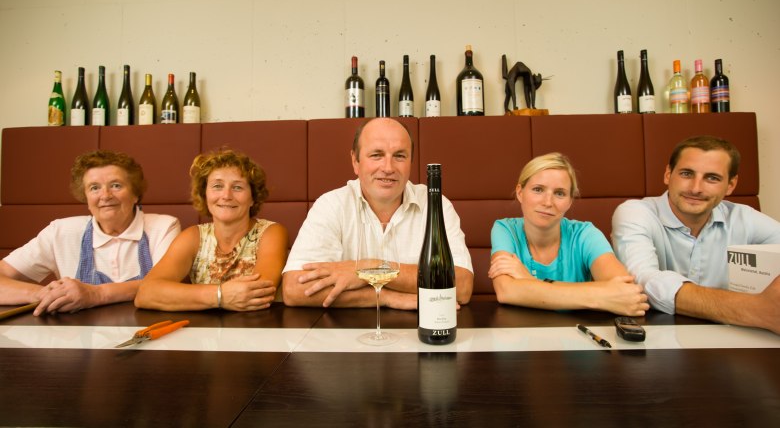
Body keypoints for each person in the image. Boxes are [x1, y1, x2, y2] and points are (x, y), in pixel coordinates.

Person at [282, 117, 473, 309]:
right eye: (376, 155)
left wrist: (364, 269)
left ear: (411, 163)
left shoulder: (435, 204)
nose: (388, 168)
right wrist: (386, 297)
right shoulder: (331, 205)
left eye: (400, 156)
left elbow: (463, 287)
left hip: (420, 326)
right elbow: (294, 290)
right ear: (355, 161)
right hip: (347, 328)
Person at [612, 136, 780, 333]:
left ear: (731, 185)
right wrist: (756, 310)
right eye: (686, 174)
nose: (696, 188)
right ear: (668, 174)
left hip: (734, 335)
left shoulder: (744, 218)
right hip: (656, 338)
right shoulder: (635, 212)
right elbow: (642, 280)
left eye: (712, 178)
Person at [0, 150, 180, 316]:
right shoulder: (61, 232)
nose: (105, 195)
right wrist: (44, 294)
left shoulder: (164, 227)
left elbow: (165, 286)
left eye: (116, 185)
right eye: (94, 188)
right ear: (85, 197)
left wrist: (96, 294)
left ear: (135, 194)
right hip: (78, 335)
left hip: (148, 330)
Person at [489, 152, 649, 316]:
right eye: (538, 190)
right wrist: (601, 297)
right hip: (522, 330)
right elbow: (506, 291)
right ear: (520, 193)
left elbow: (627, 293)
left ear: (570, 201)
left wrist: (529, 281)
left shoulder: (585, 234)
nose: (548, 202)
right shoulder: (505, 229)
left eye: (559, 193)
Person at [135, 149, 287, 311]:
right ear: (205, 195)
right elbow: (146, 293)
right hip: (203, 326)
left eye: (237, 187)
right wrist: (220, 296)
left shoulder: (271, 232)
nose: (226, 195)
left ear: (253, 198)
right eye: (217, 186)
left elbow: (260, 291)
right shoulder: (193, 236)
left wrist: (189, 296)